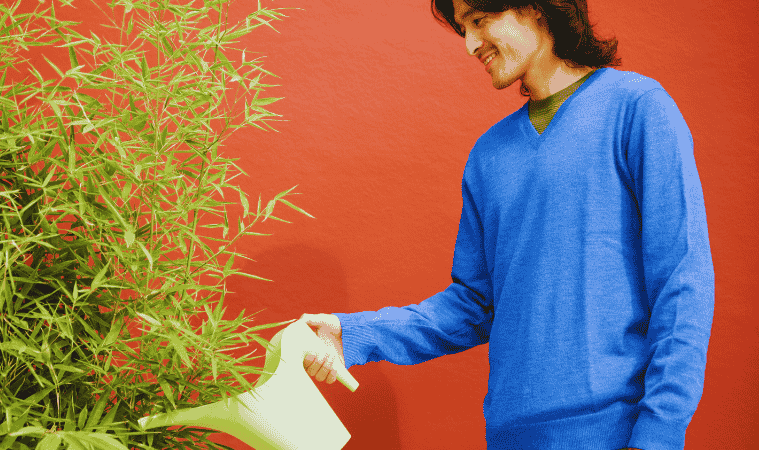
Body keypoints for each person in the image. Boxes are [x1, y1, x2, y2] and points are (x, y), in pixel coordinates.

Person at [299, 1, 714, 449]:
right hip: (509, 436)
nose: (471, 45)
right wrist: (356, 334)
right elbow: (473, 306)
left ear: (536, 9)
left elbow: (682, 280)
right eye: (464, 30)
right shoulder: (488, 156)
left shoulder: (637, 109)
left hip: (616, 432)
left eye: (480, 22)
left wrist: (659, 434)